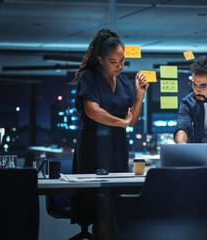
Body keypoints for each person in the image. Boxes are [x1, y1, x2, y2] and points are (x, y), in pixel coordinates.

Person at [71, 28, 148, 239]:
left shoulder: (124, 83)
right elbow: (93, 112)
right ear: (100, 59)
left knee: (114, 208)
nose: (119, 66)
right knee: (100, 212)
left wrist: (139, 96)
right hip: (93, 148)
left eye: (122, 60)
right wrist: (122, 123)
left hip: (117, 148)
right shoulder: (89, 77)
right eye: (113, 61)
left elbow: (132, 120)